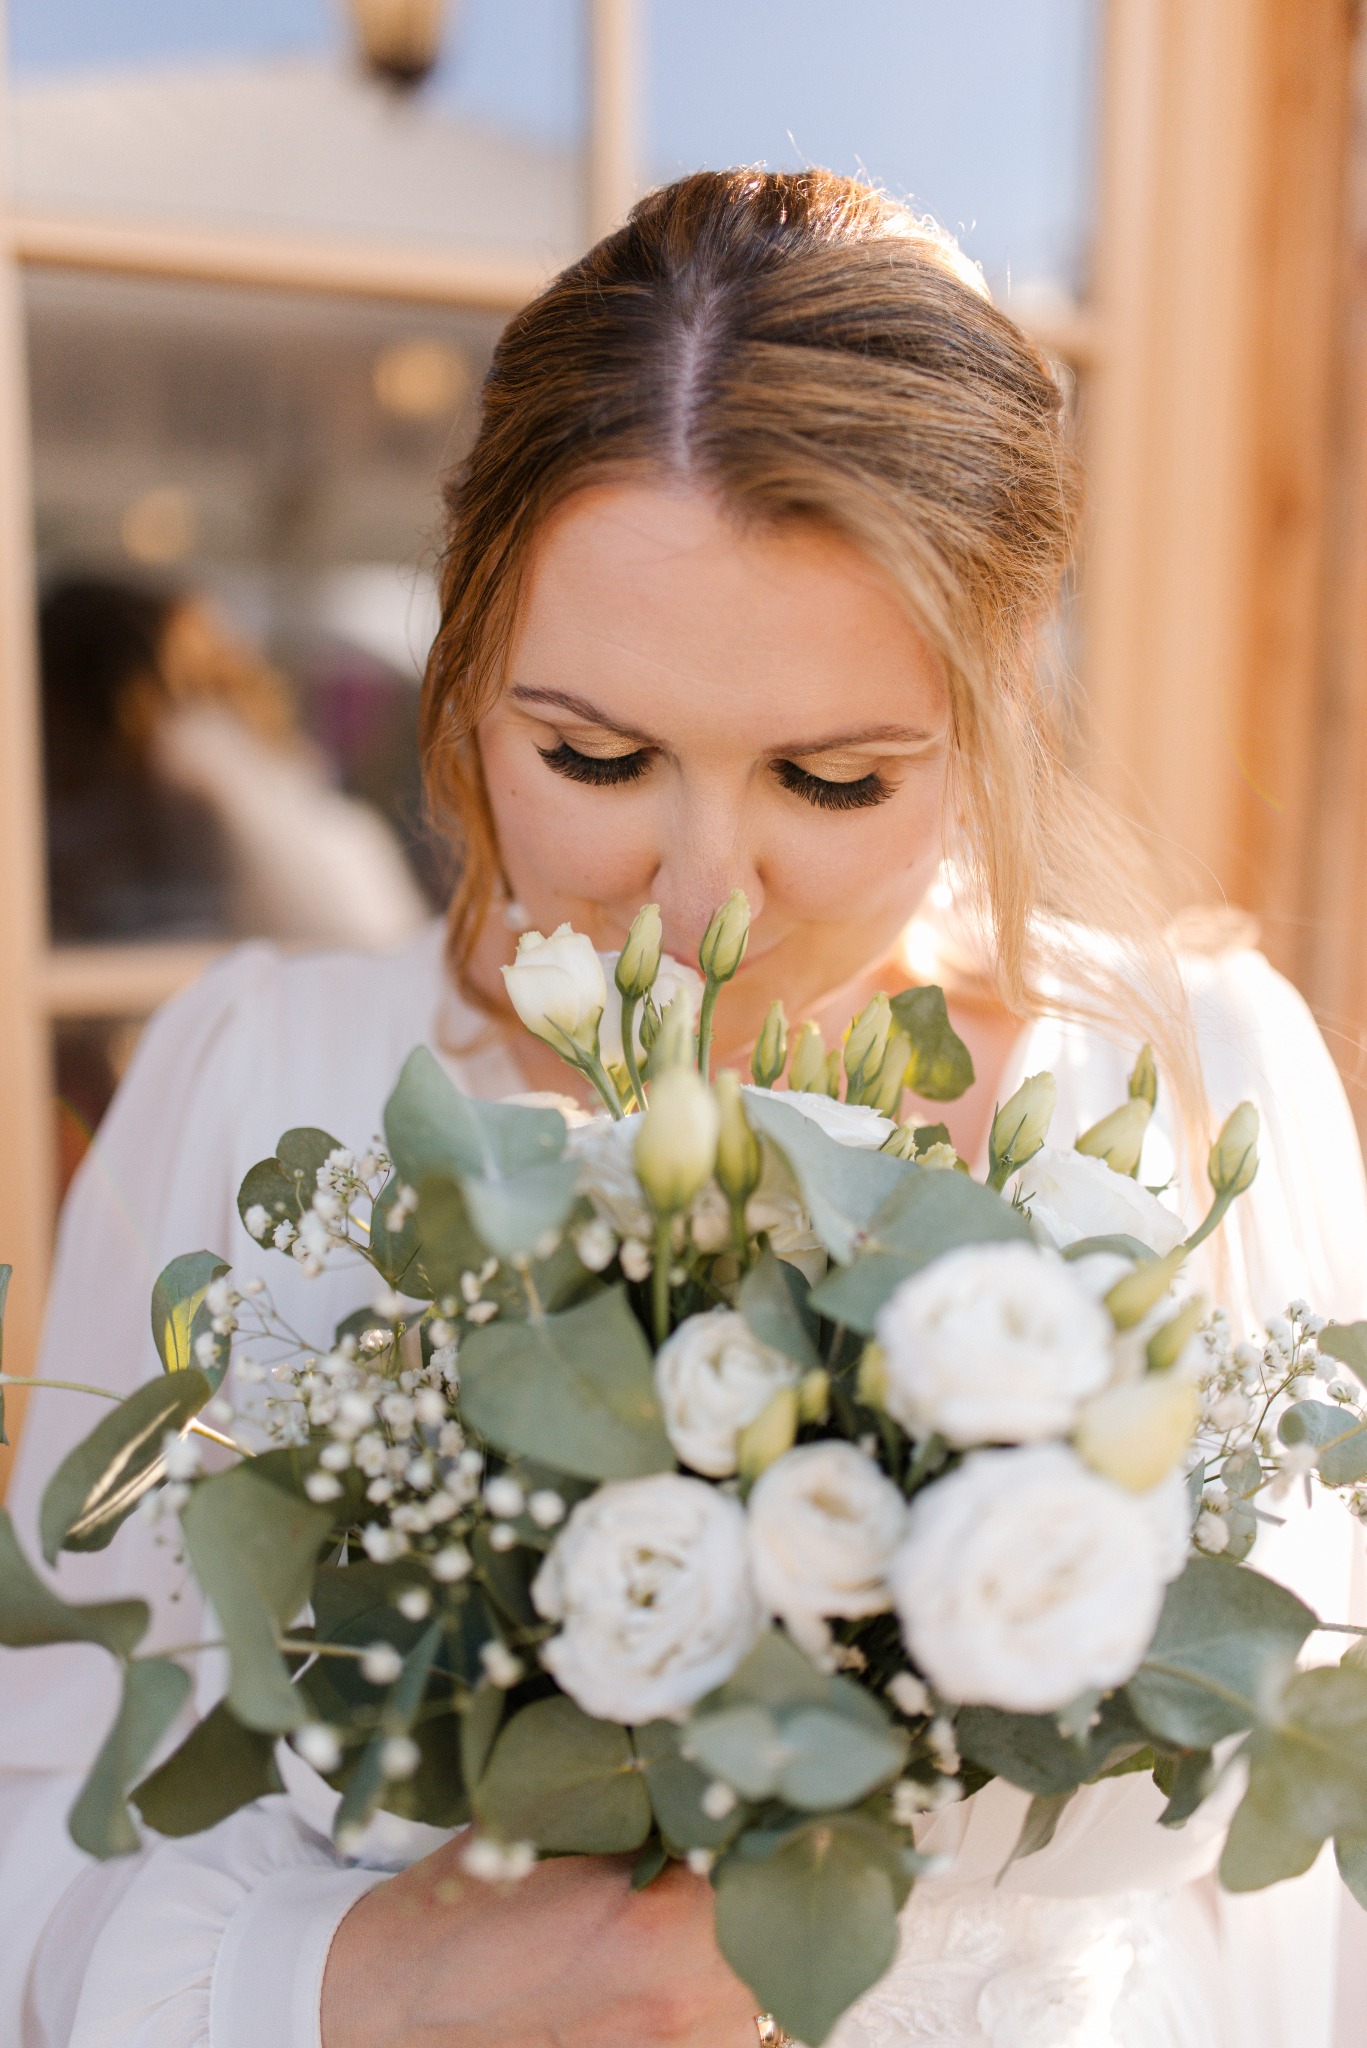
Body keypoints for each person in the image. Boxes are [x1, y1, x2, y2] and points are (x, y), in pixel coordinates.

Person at [3, 170, 1366, 2048]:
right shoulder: (259, 1083)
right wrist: (355, 1979)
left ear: (987, 715)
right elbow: (35, 1831)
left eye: (831, 777)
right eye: (595, 754)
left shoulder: (1205, 1081)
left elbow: (1315, 1942)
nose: (704, 900)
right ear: (469, 675)